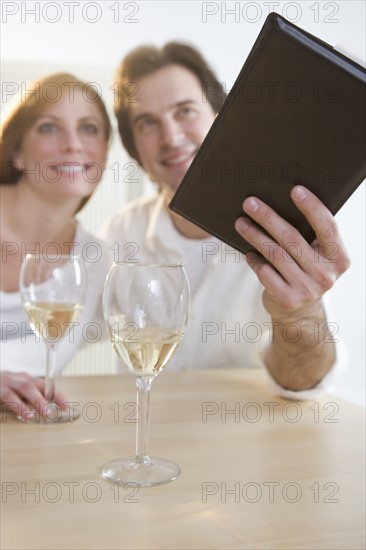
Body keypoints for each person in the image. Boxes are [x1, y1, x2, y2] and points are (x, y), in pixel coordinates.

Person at [100, 42, 350, 399]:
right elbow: (52, 330)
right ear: (134, 147)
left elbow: (303, 383)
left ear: (221, 116)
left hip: (250, 446)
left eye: (185, 111)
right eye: (148, 123)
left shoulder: (286, 234)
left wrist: (299, 316)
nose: (171, 137)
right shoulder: (119, 233)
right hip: (146, 441)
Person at [0, 73, 111, 418]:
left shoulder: (96, 262)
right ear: (17, 151)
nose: (73, 144)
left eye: (89, 128)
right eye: (50, 127)